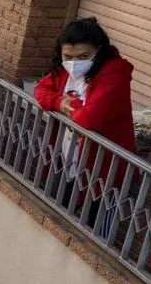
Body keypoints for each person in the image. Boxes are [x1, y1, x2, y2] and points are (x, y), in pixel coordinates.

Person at [33, 18, 137, 229]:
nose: (74, 63)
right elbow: (40, 90)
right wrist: (58, 102)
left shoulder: (114, 73)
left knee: (98, 228)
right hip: (71, 159)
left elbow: (89, 118)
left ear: (99, 51)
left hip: (105, 166)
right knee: (59, 215)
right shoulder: (65, 69)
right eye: (68, 57)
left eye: (83, 56)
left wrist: (68, 104)